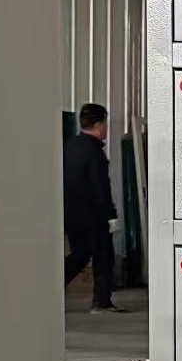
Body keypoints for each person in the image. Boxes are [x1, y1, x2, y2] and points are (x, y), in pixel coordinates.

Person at [63, 102, 119, 312]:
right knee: (104, 257)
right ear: (99, 124)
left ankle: (47, 288)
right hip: (94, 215)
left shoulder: (69, 147)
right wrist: (110, 215)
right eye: (105, 123)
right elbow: (100, 187)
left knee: (79, 255)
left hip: (70, 214)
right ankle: (102, 302)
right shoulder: (94, 152)